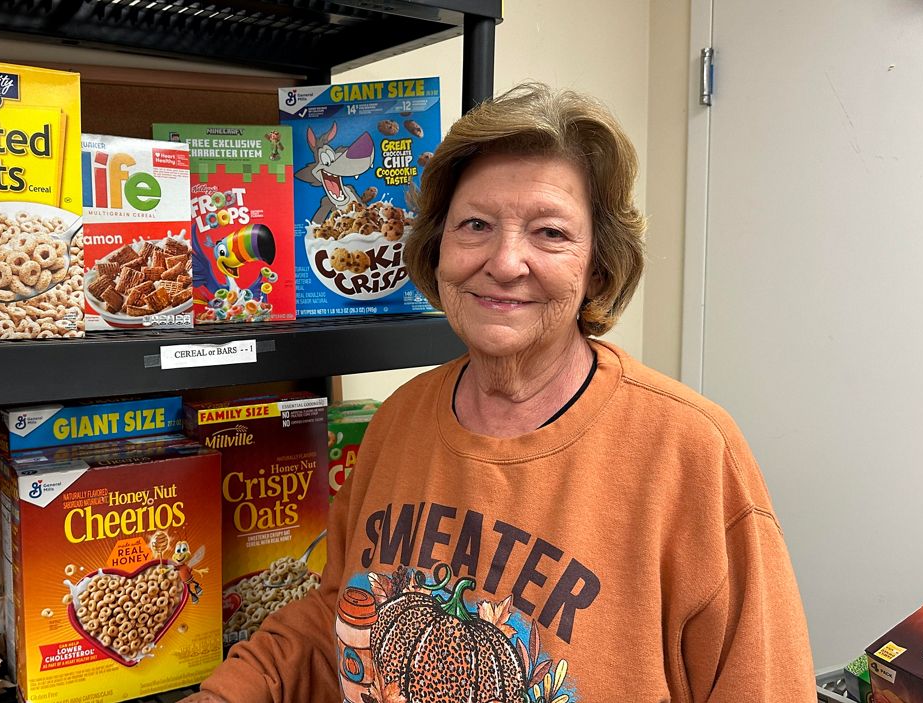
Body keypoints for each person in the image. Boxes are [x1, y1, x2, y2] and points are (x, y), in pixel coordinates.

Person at [185, 82, 815, 703]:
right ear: (437, 248)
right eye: (476, 225)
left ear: (598, 267)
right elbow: (339, 622)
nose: (506, 261)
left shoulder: (694, 454)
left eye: (550, 233)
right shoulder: (399, 421)